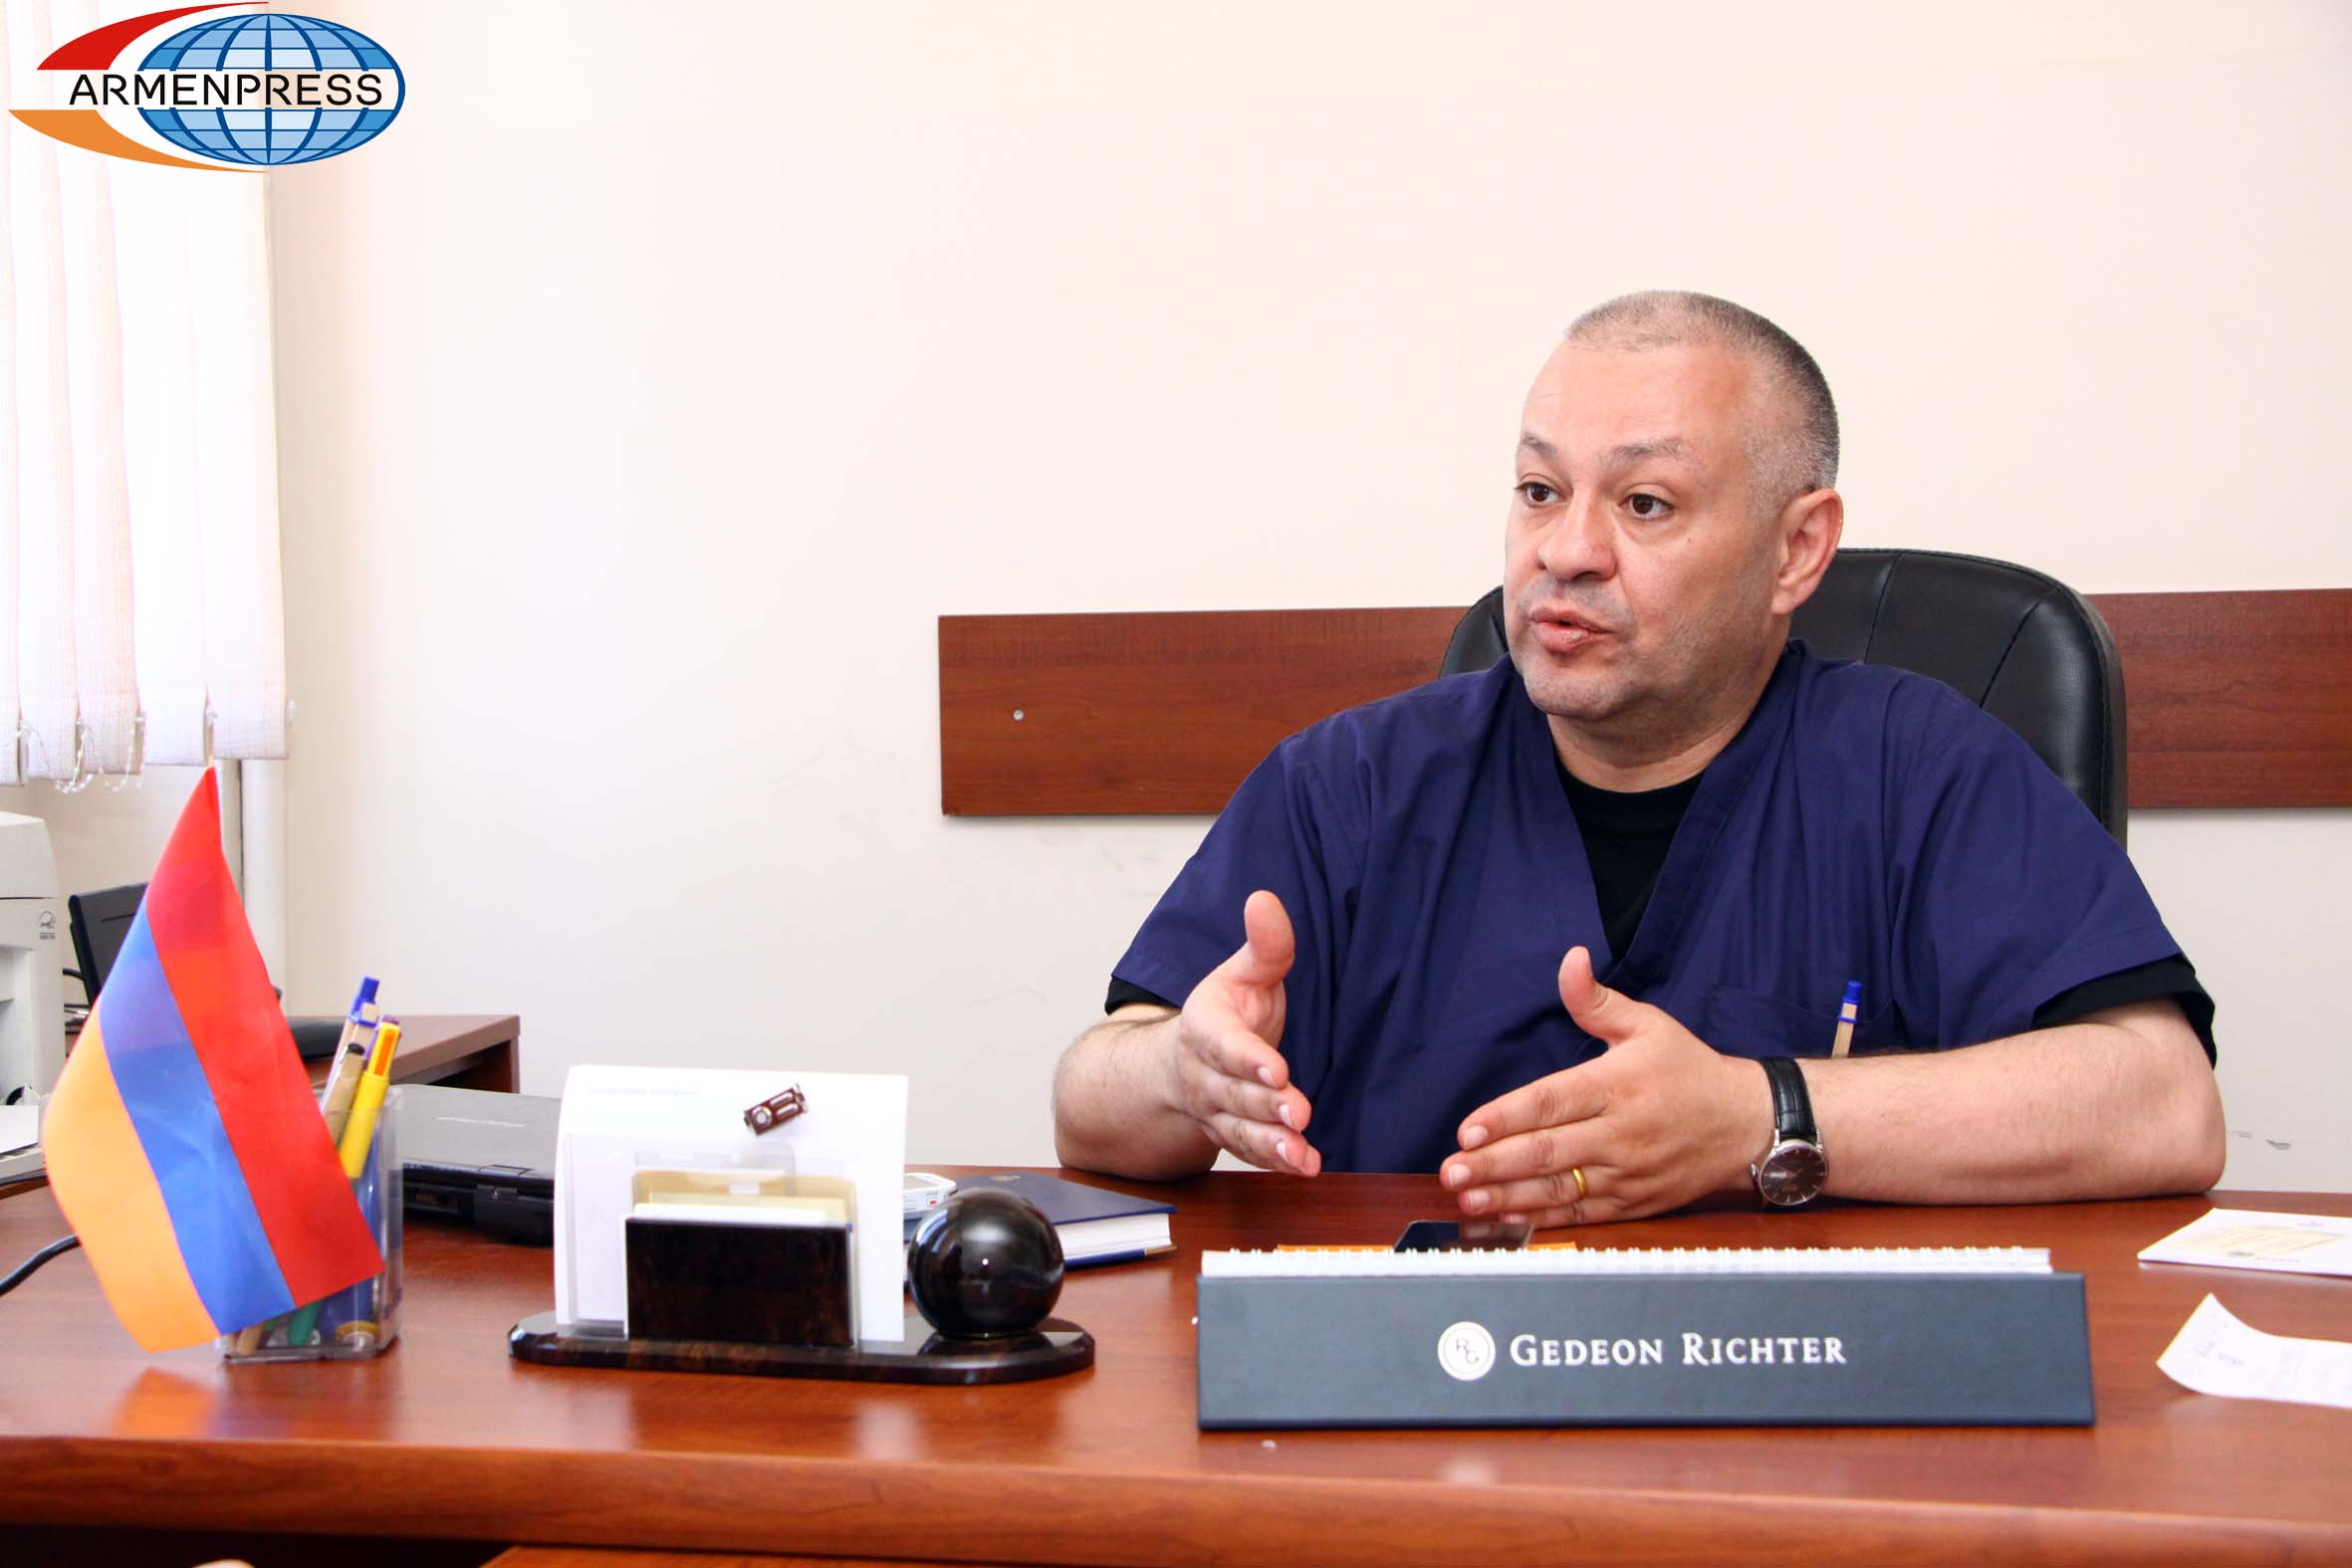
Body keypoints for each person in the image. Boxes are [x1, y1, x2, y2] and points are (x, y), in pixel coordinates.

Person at [1051, 291, 2224, 1227]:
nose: (1565, 551)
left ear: (1796, 550)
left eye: (1645, 503)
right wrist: (1179, 1076)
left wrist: (1761, 1114)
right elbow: (1090, 1102)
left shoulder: (1917, 771)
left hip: (1801, 1394)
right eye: (1538, 490)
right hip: (1421, 1391)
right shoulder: (1353, 783)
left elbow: (2165, 1106)